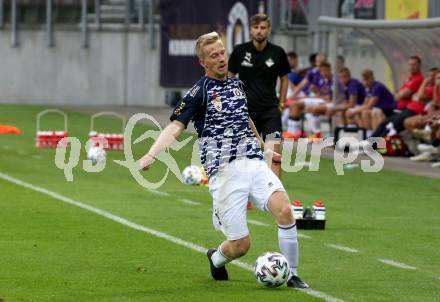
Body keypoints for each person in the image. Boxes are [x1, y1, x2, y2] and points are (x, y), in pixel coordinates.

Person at [139, 32, 309, 288]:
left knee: (285, 211)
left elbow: (246, 118)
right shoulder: (199, 92)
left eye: (222, 53)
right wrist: (152, 153)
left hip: (254, 163)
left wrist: (264, 148)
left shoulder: (236, 84)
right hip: (225, 172)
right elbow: (176, 127)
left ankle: (293, 274)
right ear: (203, 62)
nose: (221, 59)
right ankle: (216, 258)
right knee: (241, 246)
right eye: (213, 56)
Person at [228, 13, 290, 178]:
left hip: (270, 110)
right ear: (251, 30)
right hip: (246, 112)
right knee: (243, 155)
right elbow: (229, 77)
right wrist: (232, 102)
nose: (259, 31)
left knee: (274, 153)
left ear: (269, 30)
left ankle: (275, 194)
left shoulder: (278, 53)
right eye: (256, 28)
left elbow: (284, 79)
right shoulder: (240, 51)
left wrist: (282, 104)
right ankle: (244, 194)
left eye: (263, 28)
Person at [285, 62, 333, 138]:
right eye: (322, 71)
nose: (323, 73)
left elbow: (329, 98)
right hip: (320, 100)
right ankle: (293, 132)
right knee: (294, 105)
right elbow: (320, 94)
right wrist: (316, 90)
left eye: (325, 70)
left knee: (307, 109)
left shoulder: (334, 80)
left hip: (328, 103)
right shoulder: (322, 80)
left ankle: (316, 133)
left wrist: (316, 96)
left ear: (330, 70)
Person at [349, 69, 395, 136]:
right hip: (379, 109)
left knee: (374, 112)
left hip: (388, 109)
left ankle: (377, 135)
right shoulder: (368, 88)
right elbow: (365, 104)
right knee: (363, 112)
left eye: (367, 79)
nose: (365, 82)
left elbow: (370, 105)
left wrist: (354, 111)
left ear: (372, 78)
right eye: (364, 80)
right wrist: (354, 111)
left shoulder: (378, 86)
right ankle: (367, 134)